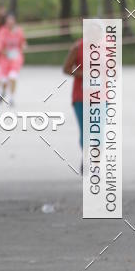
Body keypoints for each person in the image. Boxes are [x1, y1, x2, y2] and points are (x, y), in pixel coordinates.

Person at [63, 38, 84, 172]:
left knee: (98, 131)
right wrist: (83, 74)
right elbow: (66, 68)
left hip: (101, 97)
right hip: (81, 97)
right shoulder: (77, 47)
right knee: (86, 130)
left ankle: (95, 163)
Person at [0, 13, 26, 103]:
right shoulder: (2, 31)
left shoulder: (19, 31)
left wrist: (23, 47)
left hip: (16, 58)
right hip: (4, 59)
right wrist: (4, 51)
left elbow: (23, 43)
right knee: (3, 80)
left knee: (13, 76)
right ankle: (3, 92)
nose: (10, 23)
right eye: (8, 21)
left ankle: (12, 97)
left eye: (11, 21)